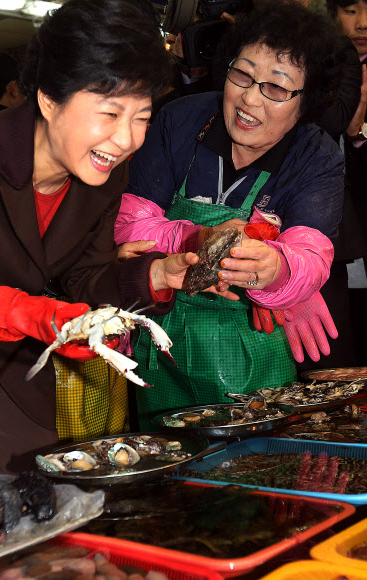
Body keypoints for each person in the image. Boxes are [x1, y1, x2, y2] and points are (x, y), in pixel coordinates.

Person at [0, 0, 220, 474]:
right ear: (47, 98)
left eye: (141, 116)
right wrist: (34, 313)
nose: (126, 139)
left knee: (49, 502)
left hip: (14, 375)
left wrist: (158, 275)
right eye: (109, 112)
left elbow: (82, 278)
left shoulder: (100, 174)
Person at [115, 0, 345, 429]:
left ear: (306, 100)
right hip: (163, 343)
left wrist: (281, 270)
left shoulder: (315, 156)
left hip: (256, 353)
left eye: (276, 88)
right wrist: (200, 240)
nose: (249, 98)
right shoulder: (179, 120)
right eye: (242, 75)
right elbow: (131, 226)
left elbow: (311, 255)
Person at [326, 0, 367, 366]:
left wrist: (359, 135)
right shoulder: (328, 61)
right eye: (351, 10)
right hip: (340, 224)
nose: (363, 23)